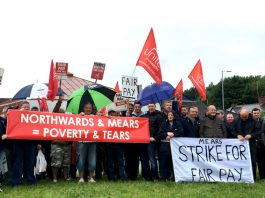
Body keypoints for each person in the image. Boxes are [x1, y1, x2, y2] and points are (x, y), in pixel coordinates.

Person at [11, 101, 36, 187]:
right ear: (20, 107)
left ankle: (31, 181)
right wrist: (19, 113)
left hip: (30, 143)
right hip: (18, 143)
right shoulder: (15, 115)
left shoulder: (33, 117)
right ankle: (15, 182)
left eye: (28, 107)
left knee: (30, 163)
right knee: (17, 163)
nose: (26, 108)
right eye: (25, 107)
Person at [232, 109, 258, 180]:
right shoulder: (236, 120)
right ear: (240, 115)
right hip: (239, 144)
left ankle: (252, 177)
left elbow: (258, 131)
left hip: (251, 143)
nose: (243, 119)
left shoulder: (254, 120)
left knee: (252, 160)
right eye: (242, 117)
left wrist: (251, 135)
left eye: (245, 117)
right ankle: (240, 176)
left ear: (248, 115)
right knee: (239, 160)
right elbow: (232, 130)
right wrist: (237, 135)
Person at [50, 96, 71, 182]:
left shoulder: (68, 122)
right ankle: (55, 178)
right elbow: (54, 111)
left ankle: (66, 177)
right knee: (56, 163)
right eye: (60, 113)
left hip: (66, 145)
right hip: (56, 144)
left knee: (66, 163)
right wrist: (59, 102)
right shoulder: (54, 121)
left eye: (63, 113)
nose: (62, 114)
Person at [158, 111, 184, 181]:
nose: (170, 116)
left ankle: (174, 177)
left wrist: (173, 135)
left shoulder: (178, 123)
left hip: (174, 146)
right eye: (169, 115)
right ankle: (164, 177)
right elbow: (159, 134)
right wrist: (166, 134)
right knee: (164, 162)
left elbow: (181, 132)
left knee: (173, 162)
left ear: (174, 116)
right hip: (165, 146)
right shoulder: (164, 123)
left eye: (171, 115)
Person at [142, 101, 163, 181]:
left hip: (152, 141)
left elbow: (160, 129)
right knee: (145, 160)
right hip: (144, 141)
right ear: (148, 107)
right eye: (150, 106)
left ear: (155, 107)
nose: (151, 108)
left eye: (152, 106)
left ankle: (155, 177)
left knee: (152, 160)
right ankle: (147, 177)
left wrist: (155, 138)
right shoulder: (144, 116)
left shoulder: (159, 116)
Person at [77, 102, 96, 183]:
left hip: (92, 142)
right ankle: (81, 178)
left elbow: (104, 120)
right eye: (86, 107)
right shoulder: (80, 116)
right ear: (83, 108)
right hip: (82, 142)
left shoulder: (95, 117)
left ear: (92, 109)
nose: (88, 109)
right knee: (80, 160)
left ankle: (90, 178)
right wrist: (79, 116)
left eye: (90, 108)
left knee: (92, 160)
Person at [106, 109, 126, 181]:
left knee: (120, 162)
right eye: (110, 114)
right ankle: (111, 178)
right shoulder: (105, 121)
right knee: (110, 162)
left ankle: (122, 177)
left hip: (119, 144)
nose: (112, 115)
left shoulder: (120, 120)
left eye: (113, 113)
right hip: (109, 144)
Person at [252, 108, 265, 179]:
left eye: (257, 113)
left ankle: (262, 176)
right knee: (253, 161)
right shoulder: (250, 122)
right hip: (252, 143)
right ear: (252, 114)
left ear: (260, 113)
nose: (256, 114)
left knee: (262, 160)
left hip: (261, 144)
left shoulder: (263, 121)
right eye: (255, 113)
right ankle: (253, 176)